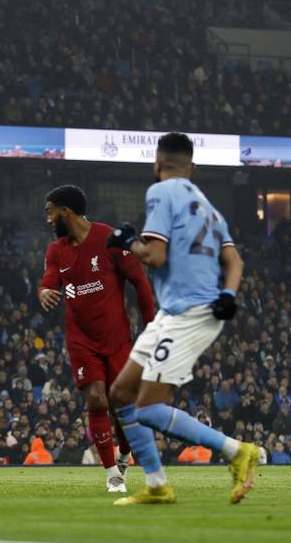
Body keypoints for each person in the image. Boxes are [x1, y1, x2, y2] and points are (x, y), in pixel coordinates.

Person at [107, 132, 258, 506]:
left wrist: (127, 243)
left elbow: (155, 257)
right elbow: (234, 261)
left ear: (157, 165)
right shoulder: (209, 207)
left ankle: (236, 450)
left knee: (148, 408)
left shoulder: (160, 192)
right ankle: (157, 485)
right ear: (192, 168)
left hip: (189, 313)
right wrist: (229, 295)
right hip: (181, 310)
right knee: (121, 392)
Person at [38, 184, 156, 492]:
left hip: (117, 340)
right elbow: (49, 279)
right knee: (95, 399)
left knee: (122, 408)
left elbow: (140, 284)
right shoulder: (56, 251)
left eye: (50, 213)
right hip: (81, 340)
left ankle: (125, 454)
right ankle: (112, 476)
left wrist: (152, 327)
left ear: (66, 212)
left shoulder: (110, 238)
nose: (49, 220)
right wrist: (44, 292)